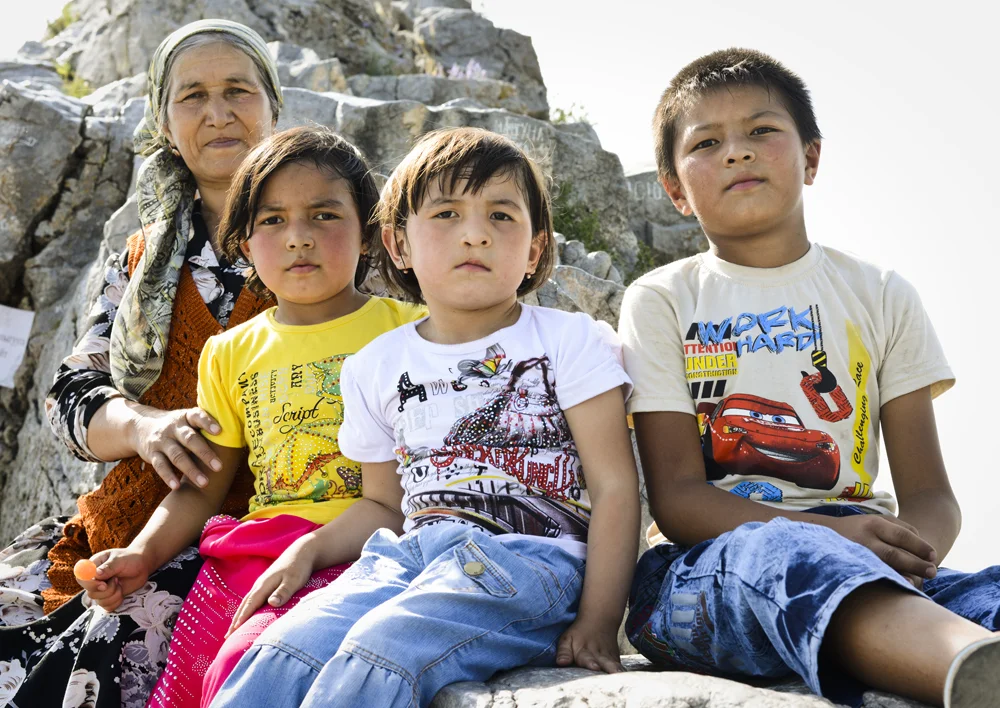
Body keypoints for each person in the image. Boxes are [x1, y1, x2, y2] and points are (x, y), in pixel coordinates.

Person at [619, 47, 1000, 708]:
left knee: (987, 593)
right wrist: (834, 540)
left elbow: (933, 496)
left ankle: (942, 640)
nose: (738, 151)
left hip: (871, 555)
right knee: (786, 560)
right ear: (675, 189)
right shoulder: (662, 300)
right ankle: (965, 671)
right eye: (708, 142)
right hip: (707, 571)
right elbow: (678, 499)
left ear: (812, 158)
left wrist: (908, 556)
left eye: (762, 130)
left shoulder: (880, 293)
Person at [209, 127, 640, 708]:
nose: (475, 233)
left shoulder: (569, 341)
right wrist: (308, 551)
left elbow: (616, 487)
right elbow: (384, 506)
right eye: (446, 213)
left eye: (502, 217)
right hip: (409, 557)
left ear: (535, 250)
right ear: (398, 244)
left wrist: (599, 619)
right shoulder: (376, 365)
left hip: (530, 561)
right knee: (285, 651)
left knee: (381, 650)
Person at [73, 126, 426, 708]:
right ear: (243, 242)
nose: (298, 239)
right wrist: (142, 555)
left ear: (370, 235)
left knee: (259, 667)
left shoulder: (409, 330)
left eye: (323, 215)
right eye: (272, 220)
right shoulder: (230, 352)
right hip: (256, 555)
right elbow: (200, 486)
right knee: (193, 683)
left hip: (374, 548)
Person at [0, 19, 283, 708]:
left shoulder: (330, 238)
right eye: (193, 96)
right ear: (163, 117)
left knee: (107, 651)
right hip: (129, 523)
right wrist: (145, 427)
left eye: (238, 90)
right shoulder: (142, 259)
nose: (218, 112)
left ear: (273, 107)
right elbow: (73, 394)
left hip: (257, 536)